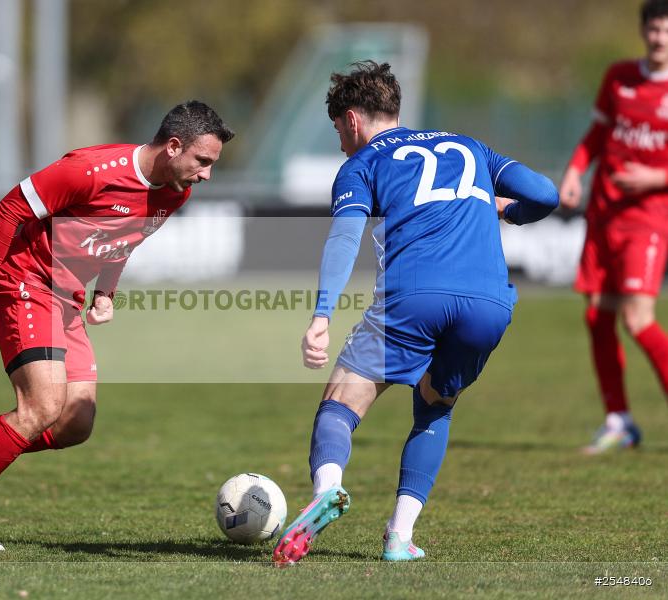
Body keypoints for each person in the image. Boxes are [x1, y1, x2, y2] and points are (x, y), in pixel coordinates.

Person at [0, 101, 234, 550]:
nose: (206, 174)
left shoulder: (175, 191)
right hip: (25, 280)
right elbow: (8, 210)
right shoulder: (90, 170)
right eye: (203, 161)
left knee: (75, 421)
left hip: (67, 297)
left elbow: (126, 240)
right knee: (41, 406)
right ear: (174, 146)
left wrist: (105, 293)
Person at [271, 61, 558, 566]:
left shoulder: (361, 164)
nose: (340, 141)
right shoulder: (470, 146)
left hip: (415, 297)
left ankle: (326, 490)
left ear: (353, 120)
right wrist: (507, 211)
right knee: (435, 406)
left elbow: (344, 237)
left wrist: (321, 314)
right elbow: (546, 194)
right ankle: (399, 537)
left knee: (341, 400)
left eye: (339, 130)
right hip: (490, 304)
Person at [560, 0, 668, 454]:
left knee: (637, 317)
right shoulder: (619, 77)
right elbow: (597, 135)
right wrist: (573, 170)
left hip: (648, 220)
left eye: (666, 31)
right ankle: (618, 419)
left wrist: (654, 178)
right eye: (654, 29)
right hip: (603, 214)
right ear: (643, 30)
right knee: (596, 315)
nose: (659, 38)